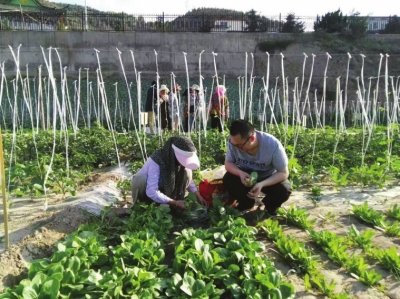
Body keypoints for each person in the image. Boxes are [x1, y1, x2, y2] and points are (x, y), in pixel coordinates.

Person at [223, 119, 292, 215]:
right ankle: (246, 203)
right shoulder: (234, 143)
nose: (236, 148)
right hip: (246, 178)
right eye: (233, 144)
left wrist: (262, 184)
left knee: (284, 189)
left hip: (267, 178)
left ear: (251, 139)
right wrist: (241, 173)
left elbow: (283, 172)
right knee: (228, 179)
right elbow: (228, 163)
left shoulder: (272, 144)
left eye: (239, 145)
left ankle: (269, 206)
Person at [131, 136, 208, 209]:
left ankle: (175, 203)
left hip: (166, 192)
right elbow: (151, 191)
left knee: (187, 172)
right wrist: (175, 203)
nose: (183, 163)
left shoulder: (178, 162)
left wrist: (198, 195)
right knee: (140, 179)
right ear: (173, 153)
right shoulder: (156, 160)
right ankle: (142, 206)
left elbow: (189, 181)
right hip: (148, 192)